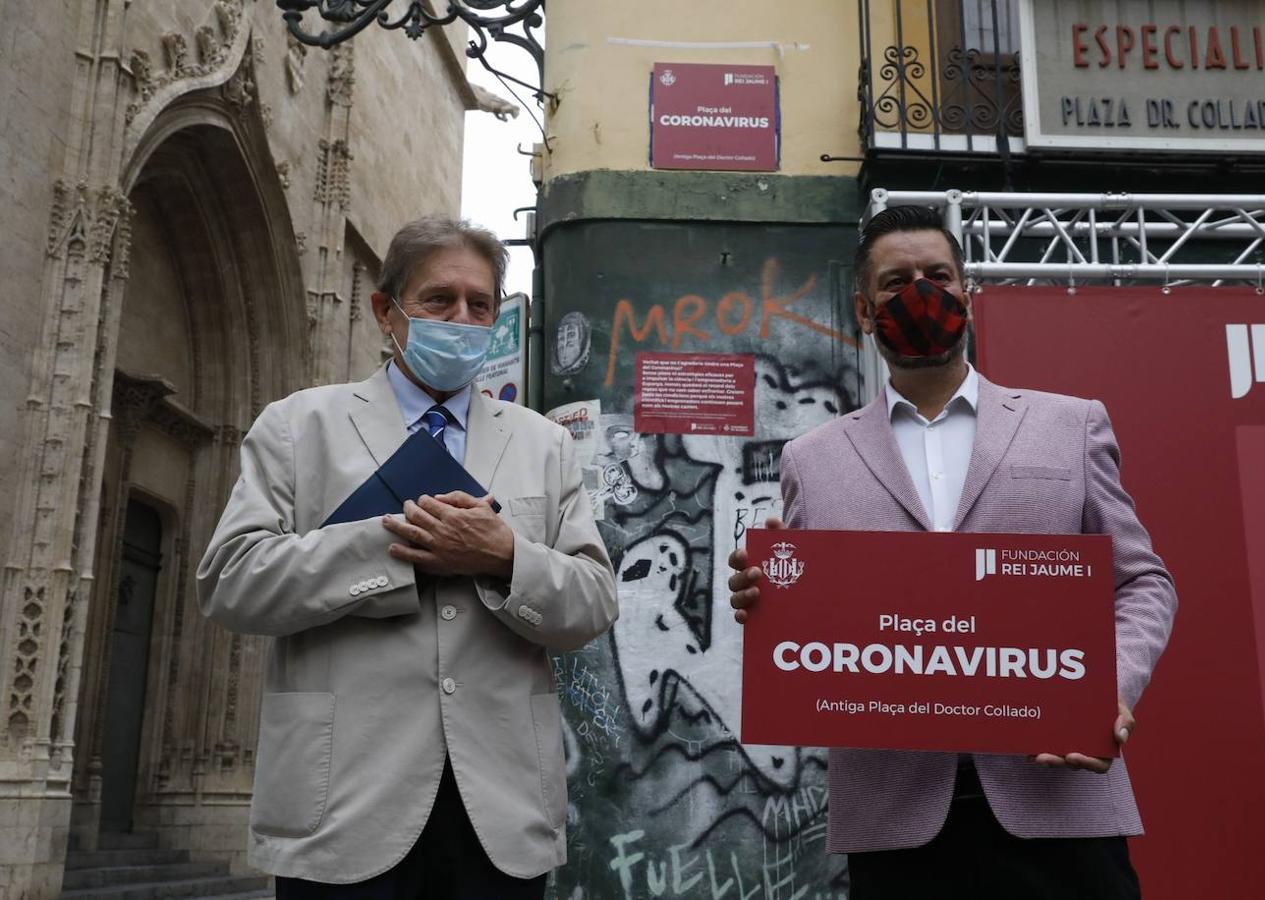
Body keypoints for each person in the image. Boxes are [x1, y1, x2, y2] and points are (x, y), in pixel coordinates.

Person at [727, 206, 1176, 899]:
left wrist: (1109, 687)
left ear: (967, 292)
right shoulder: (811, 460)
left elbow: (1142, 582)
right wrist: (768, 599)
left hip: (1060, 803)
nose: (921, 292)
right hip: (896, 822)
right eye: (896, 281)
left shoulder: (1069, 425)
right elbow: (810, 606)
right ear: (864, 310)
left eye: (938, 275)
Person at [198, 216, 619, 899]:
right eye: (438, 300)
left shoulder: (545, 445)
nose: (461, 318)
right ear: (386, 312)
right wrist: (398, 549)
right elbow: (231, 580)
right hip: (342, 806)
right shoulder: (298, 426)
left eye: (478, 305)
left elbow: (594, 601)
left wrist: (504, 557)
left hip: (499, 815)